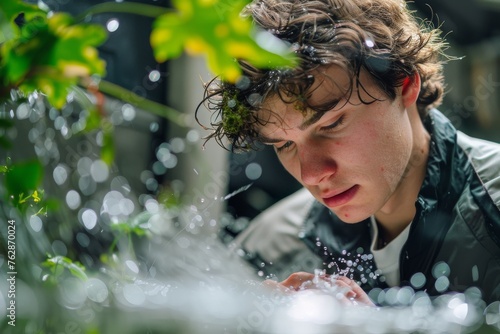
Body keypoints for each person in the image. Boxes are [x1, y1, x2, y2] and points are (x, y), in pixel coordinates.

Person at [197, 0, 500, 305]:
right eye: (284, 144)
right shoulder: (269, 249)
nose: (311, 174)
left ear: (404, 84)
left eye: (332, 123)